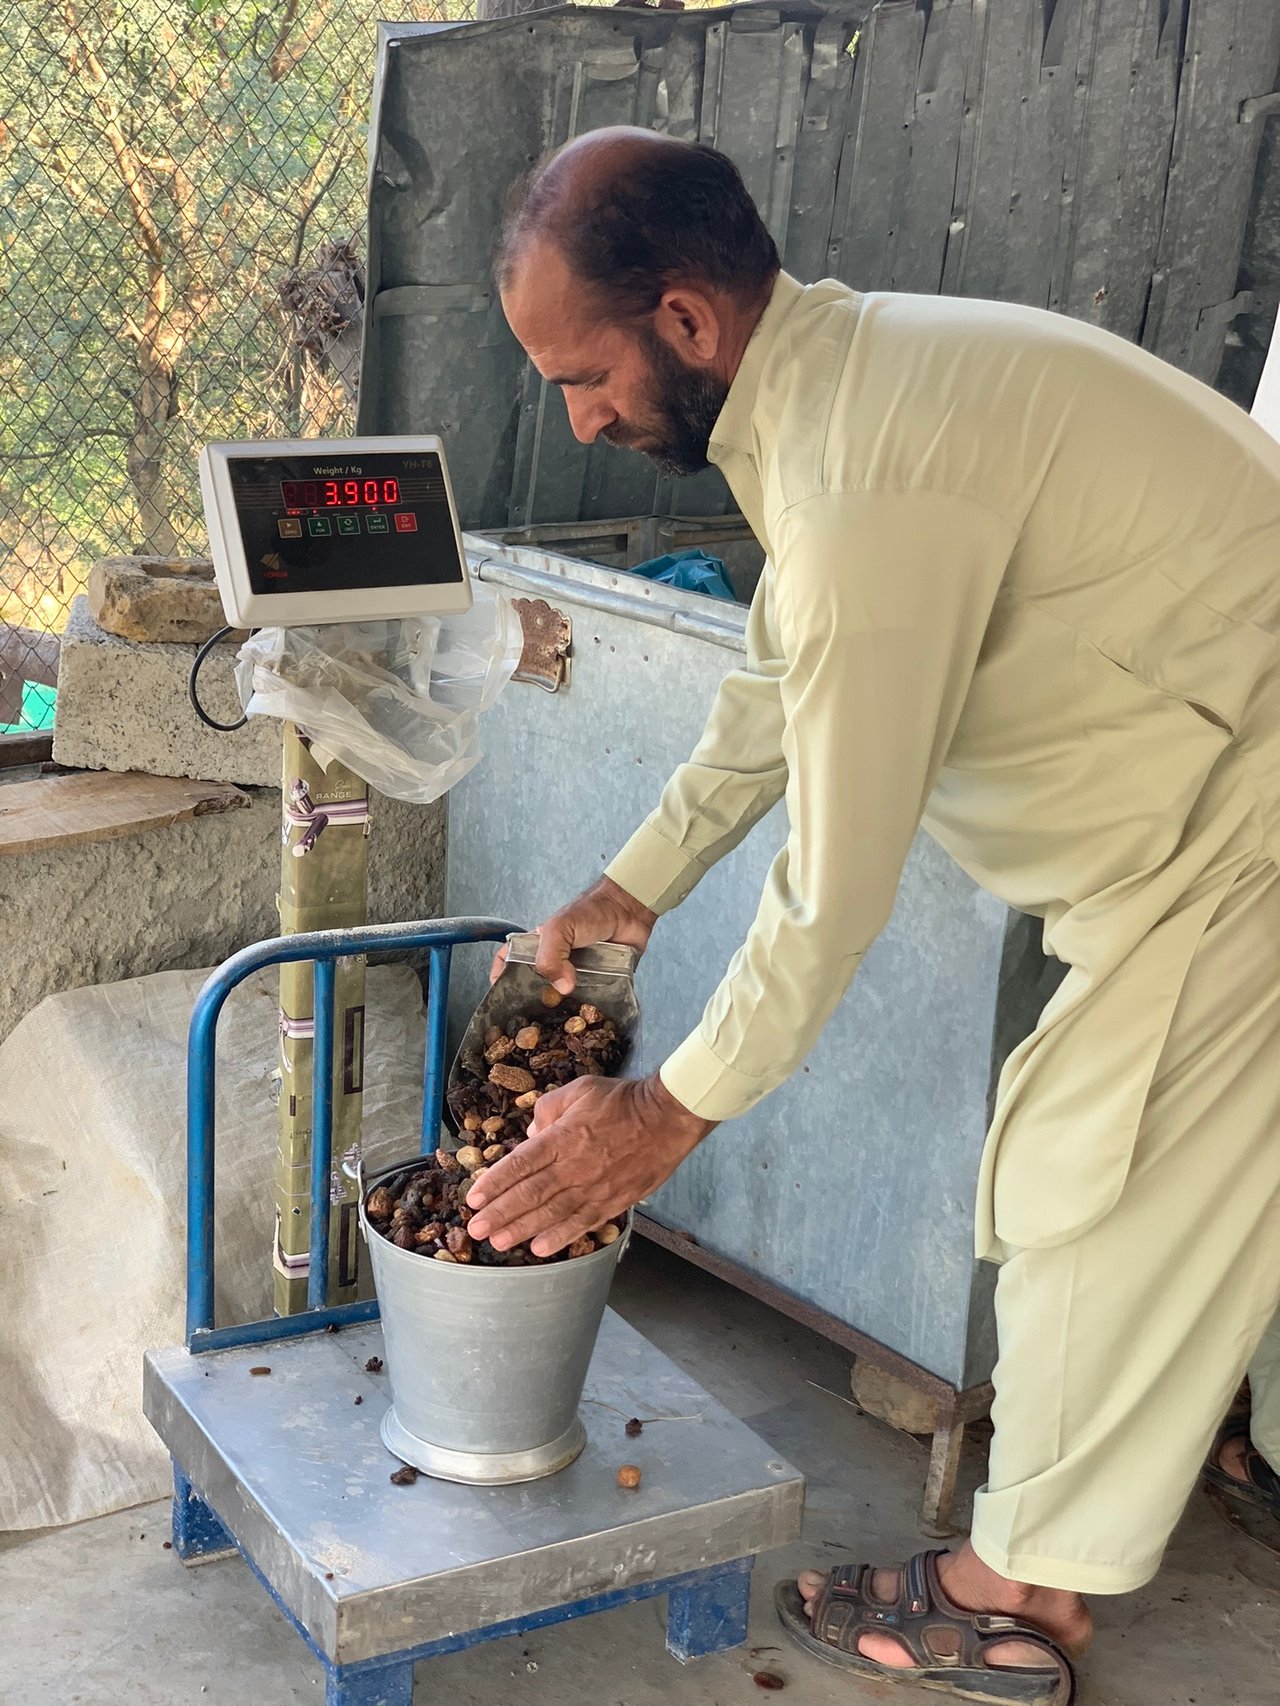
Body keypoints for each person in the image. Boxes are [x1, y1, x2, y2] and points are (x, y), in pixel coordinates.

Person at [463, 126, 1280, 1703]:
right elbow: (776, 684)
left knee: (1086, 1189)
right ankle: (1218, 1438)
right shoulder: (842, 387)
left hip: (1248, 816)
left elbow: (829, 894)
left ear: (687, 322)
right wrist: (629, 883)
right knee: (1189, 1176)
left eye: (583, 375)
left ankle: (1012, 1600)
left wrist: (658, 1115)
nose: (576, 418)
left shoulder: (858, 475)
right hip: (1216, 777)